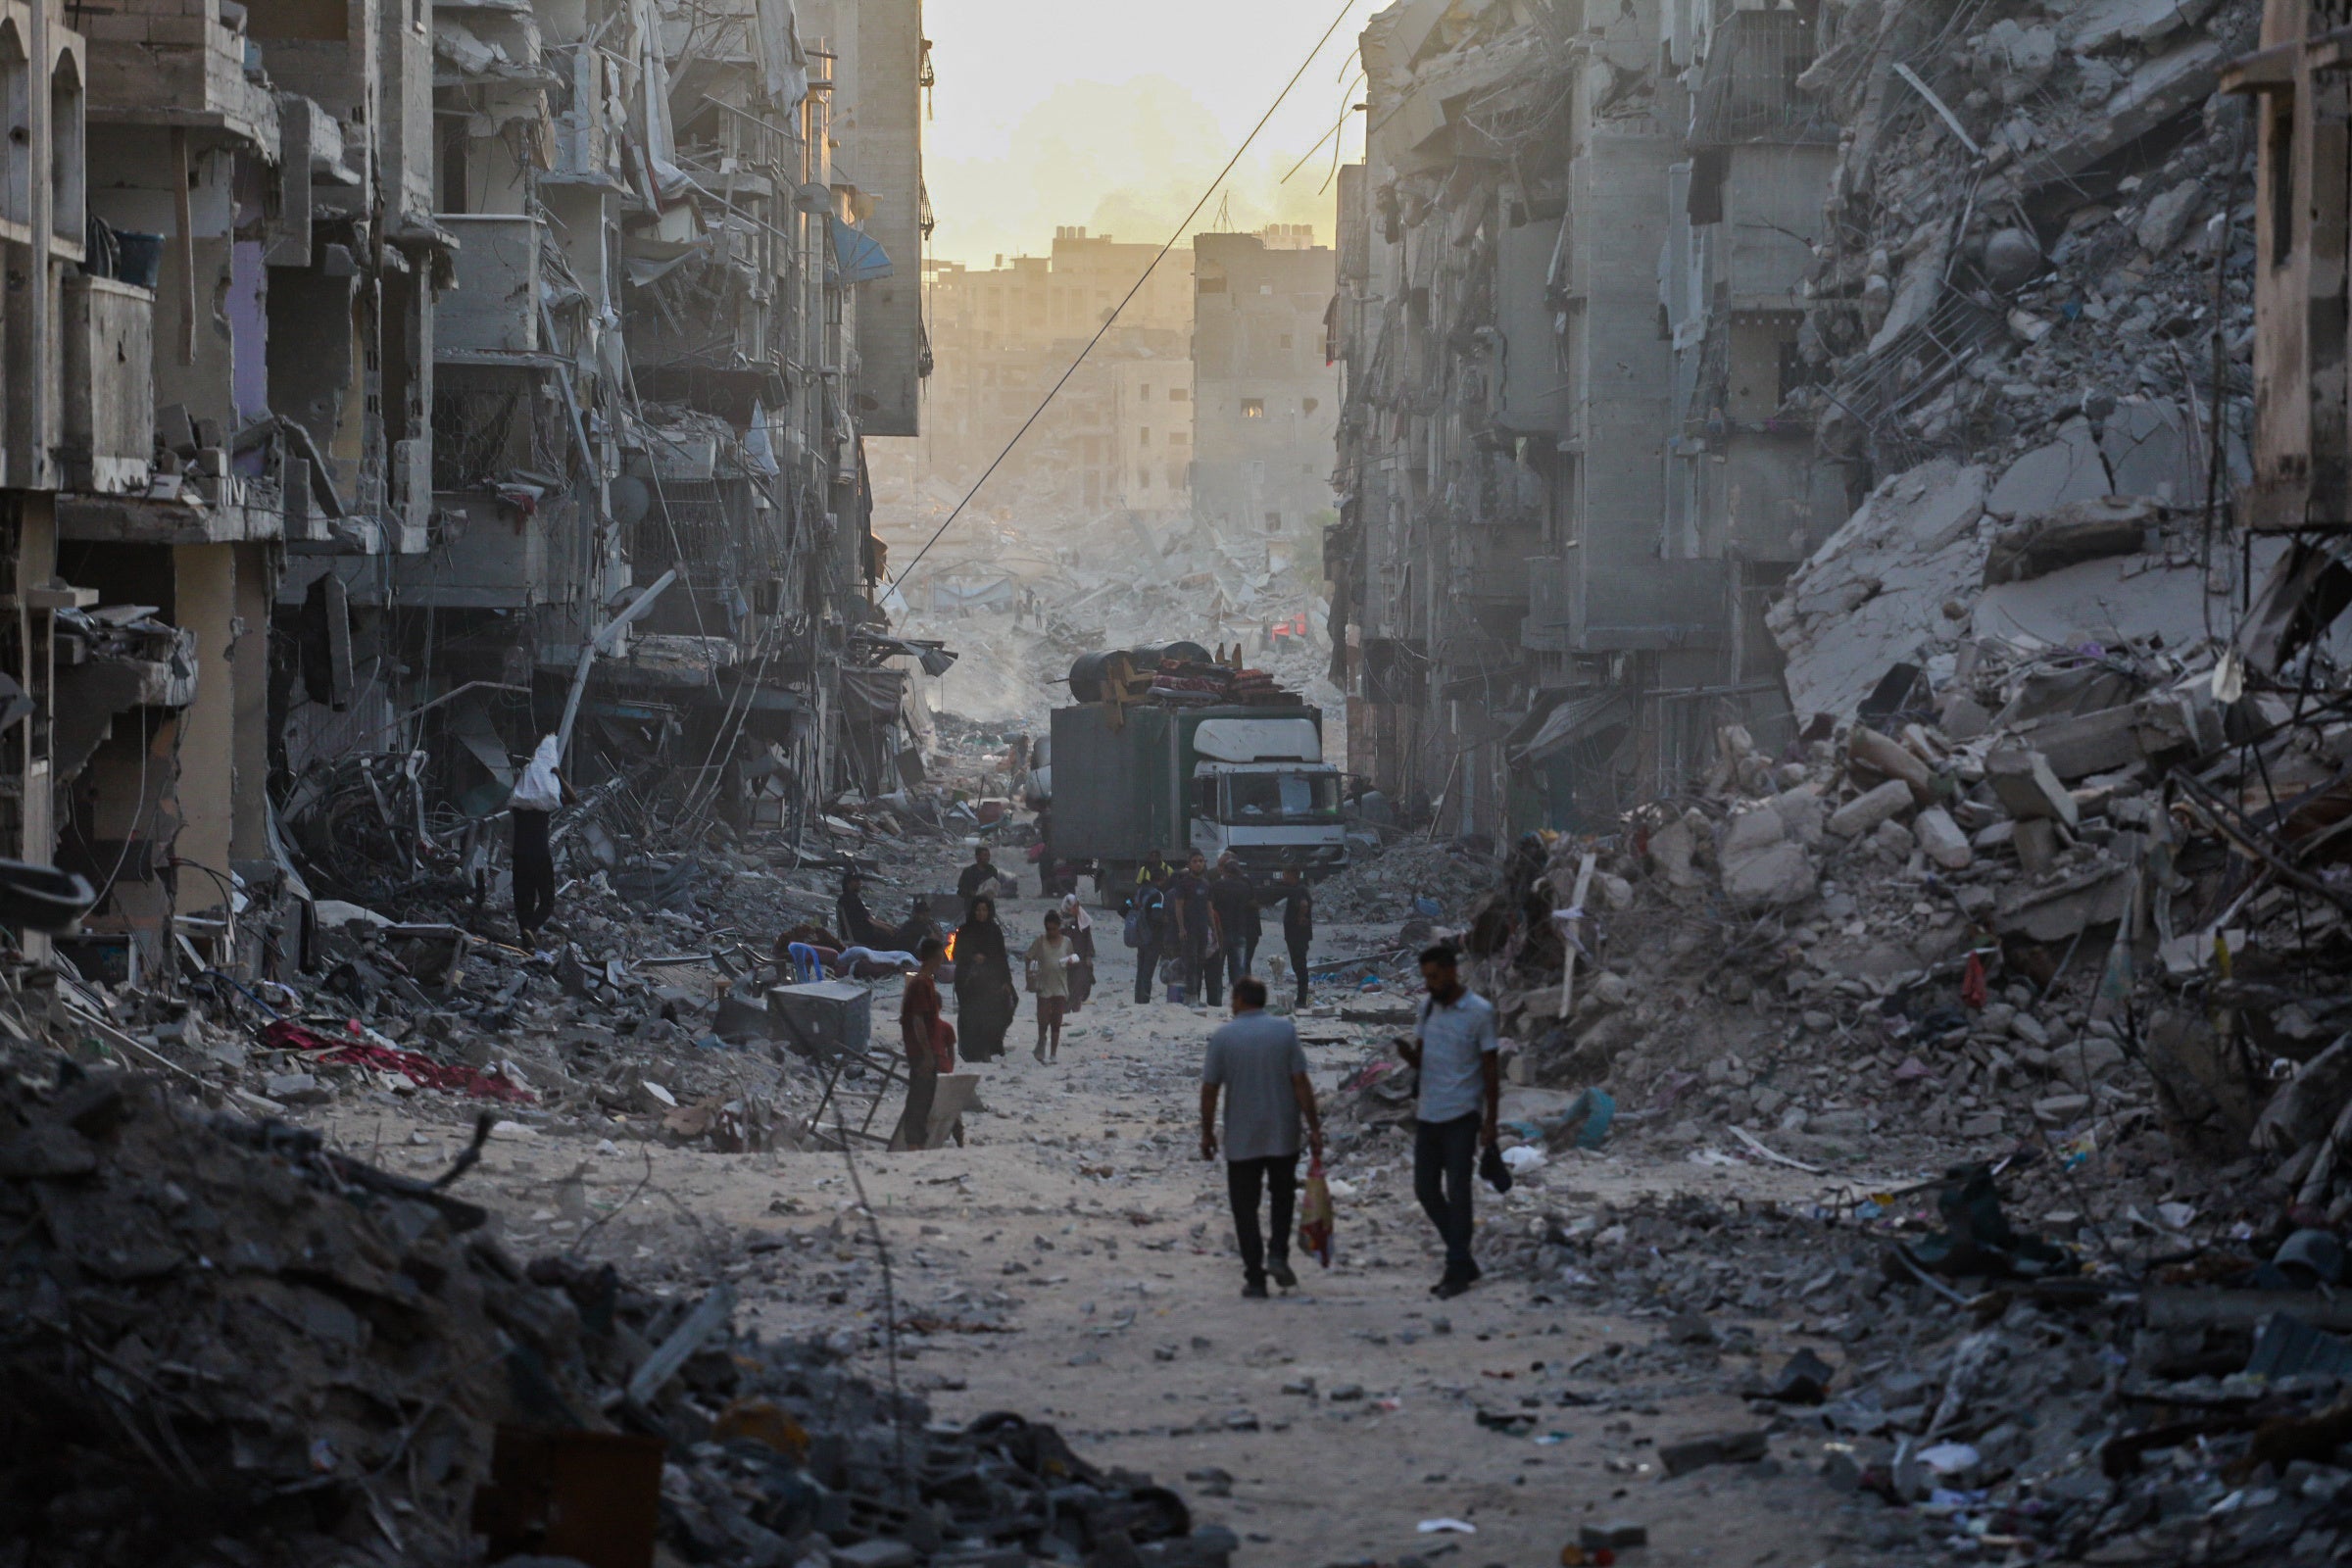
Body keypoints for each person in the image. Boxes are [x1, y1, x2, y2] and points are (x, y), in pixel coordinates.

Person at [1200, 976, 1322, 1298]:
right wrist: (1314, 1126)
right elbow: (1300, 1082)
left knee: (1245, 1207)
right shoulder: (1284, 1031)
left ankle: (1255, 1277)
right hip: (1284, 1131)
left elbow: (1210, 1089)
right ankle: (1278, 1254)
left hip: (1242, 1137)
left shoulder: (1224, 1037)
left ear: (1239, 999)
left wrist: (1207, 1133)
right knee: (1282, 1199)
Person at [1396, 944, 1500, 1298]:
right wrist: (1408, 1055)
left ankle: (1456, 1268)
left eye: (1434, 977)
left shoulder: (1479, 1012)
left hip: (1462, 1115)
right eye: (1425, 977)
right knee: (1425, 1190)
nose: (1429, 984)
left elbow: (1490, 1070)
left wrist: (1491, 1122)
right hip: (1429, 1113)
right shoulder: (1427, 1009)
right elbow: (1422, 1060)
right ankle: (1463, 1257)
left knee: (1458, 1191)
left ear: (1452, 972)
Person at [892, 938, 951, 1150]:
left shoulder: (924, 982)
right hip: (920, 1050)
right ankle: (913, 1142)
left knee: (924, 1096)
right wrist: (926, 1052)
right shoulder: (921, 983)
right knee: (920, 1096)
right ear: (936, 957)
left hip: (924, 1048)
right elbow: (917, 1020)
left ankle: (917, 1140)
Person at [951, 896, 1017, 1061]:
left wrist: (1006, 981)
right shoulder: (965, 930)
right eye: (978, 910)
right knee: (972, 1015)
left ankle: (991, 1046)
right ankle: (975, 1051)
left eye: (984, 910)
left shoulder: (994, 931)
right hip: (968, 981)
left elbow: (1001, 956)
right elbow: (956, 954)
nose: (981, 913)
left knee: (1002, 1009)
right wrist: (973, 956)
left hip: (991, 979)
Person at [1168, 849, 1222, 1006]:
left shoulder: (1206, 884)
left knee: (1200, 963)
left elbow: (1209, 909)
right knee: (1190, 964)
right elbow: (1179, 907)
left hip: (1202, 929)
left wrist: (1214, 930)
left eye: (1201, 861)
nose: (1198, 864)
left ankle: (1196, 997)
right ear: (1189, 864)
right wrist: (1181, 928)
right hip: (1189, 930)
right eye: (1195, 861)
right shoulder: (1183, 884)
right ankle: (1190, 996)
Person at [1024, 909, 1077, 1063]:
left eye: (1054, 929)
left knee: (1056, 1021)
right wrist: (1029, 975)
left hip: (1060, 986)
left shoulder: (1066, 942)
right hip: (1043, 986)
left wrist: (1070, 963)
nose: (1051, 932)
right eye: (1048, 929)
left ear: (1059, 927)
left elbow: (1072, 958)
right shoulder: (1040, 941)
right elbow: (1028, 957)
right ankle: (1041, 1043)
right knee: (1042, 1019)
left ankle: (1053, 1054)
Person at [1209, 857, 1260, 997]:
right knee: (1238, 969)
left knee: (1217, 968)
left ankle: (1216, 999)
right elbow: (1252, 904)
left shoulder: (1217, 886)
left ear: (1225, 872)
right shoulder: (1244, 887)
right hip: (1240, 931)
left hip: (1221, 932)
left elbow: (1210, 907)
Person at [1275, 865, 1315, 1008]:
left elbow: (1304, 905)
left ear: (1292, 874)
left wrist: (1300, 918)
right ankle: (1301, 997)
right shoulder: (1297, 889)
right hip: (1296, 935)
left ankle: (1302, 999)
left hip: (1298, 935)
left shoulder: (1299, 889)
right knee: (1298, 965)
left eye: (1285, 874)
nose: (1283, 876)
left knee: (1300, 966)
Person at [1128, 870, 1170, 1005]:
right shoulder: (1158, 895)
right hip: (1153, 937)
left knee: (1140, 970)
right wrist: (1166, 920)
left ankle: (1138, 999)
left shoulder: (1139, 892)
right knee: (1148, 971)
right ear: (1162, 879)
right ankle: (1145, 999)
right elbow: (1156, 915)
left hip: (1140, 936)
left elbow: (1124, 908)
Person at [1057, 892, 1097, 1013]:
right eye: (1073, 907)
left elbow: (1087, 938)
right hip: (1065, 959)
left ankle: (1075, 1008)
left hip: (1080, 958)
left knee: (1081, 983)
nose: (1076, 909)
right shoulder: (1059, 920)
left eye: (1077, 906)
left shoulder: (1082, 918)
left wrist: (1088, 955)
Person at [836, 869, 891, 950]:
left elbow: (869, 918)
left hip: (855, 934)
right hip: (859, 936)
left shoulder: (844, 898)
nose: (860, 883)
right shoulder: (852, 899)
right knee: (887, 937)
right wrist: (888, 929)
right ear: (849, 883)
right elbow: (870, 920)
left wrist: (888, 926)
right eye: (856, 881)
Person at [957, 845, 1008, 909]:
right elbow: (960, 891)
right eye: (985, 855)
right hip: (972, 906)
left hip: (987, 907)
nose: (987, 857)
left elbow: (995, 887)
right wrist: (972, 893)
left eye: (988, 855)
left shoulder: (992, 870)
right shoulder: (968, 871)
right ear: (977, 857)